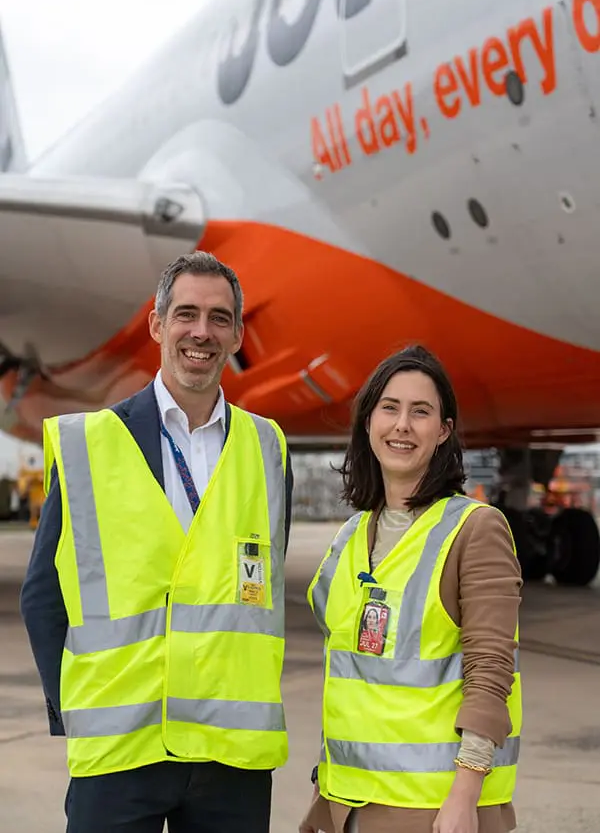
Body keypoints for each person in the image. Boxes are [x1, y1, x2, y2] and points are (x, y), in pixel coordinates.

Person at [20, 251, 294, 833]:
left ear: (238, 333)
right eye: (186, 314)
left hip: (232, 756)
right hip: (122, 752)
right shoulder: (89, 444)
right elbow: (43, 596)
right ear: (157, 324)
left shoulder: (268, 448)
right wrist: (77, 710)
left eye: (220, 319)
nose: (202, 332)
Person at [300, 345, 522, 833]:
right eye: (389, 408)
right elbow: (349, 673)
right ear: (368, 422)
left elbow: (491, 673)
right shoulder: (351, 536)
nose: (402, 425)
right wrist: (324, 790)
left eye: (420, 412)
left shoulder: (474, 530)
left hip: (433, 809)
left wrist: (465, 797)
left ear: (443, 431)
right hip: (347, 802)